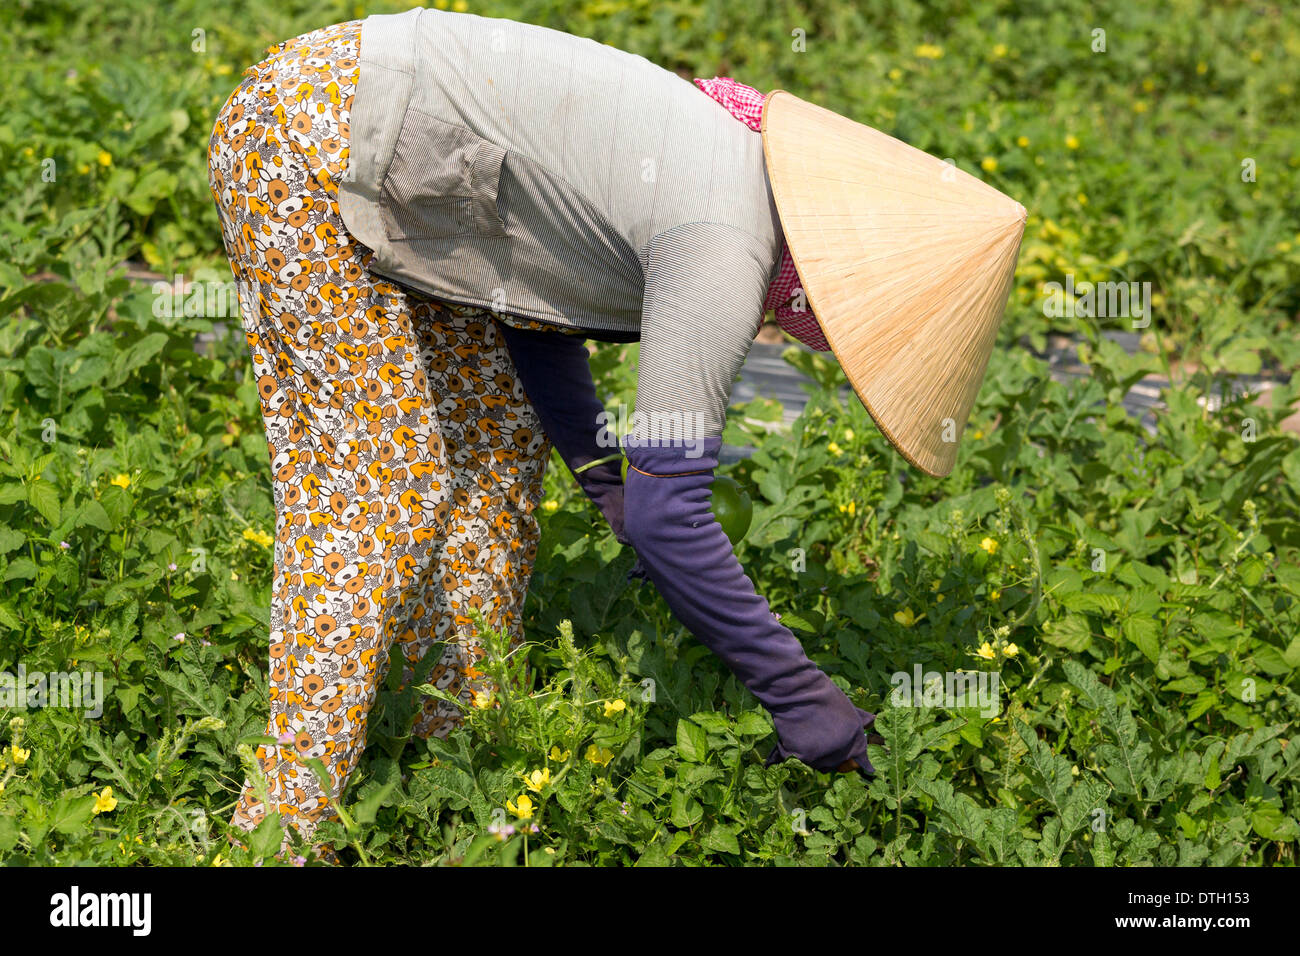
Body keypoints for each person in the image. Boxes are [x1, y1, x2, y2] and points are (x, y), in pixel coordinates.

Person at [207, 6, 1024, 849]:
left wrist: (603, 481)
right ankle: (279, 831)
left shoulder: (730, 165)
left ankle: (446, 764)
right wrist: (801, 699)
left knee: (497, 454)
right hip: (313, 137)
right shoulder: (724, 244)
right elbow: (674, 518)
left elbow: (530, 305)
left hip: (398, 148)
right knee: (383, 491)